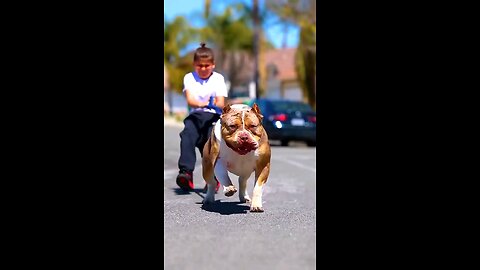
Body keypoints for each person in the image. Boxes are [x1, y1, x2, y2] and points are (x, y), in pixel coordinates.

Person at [176, 42, 227, 192]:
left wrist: (214, 104)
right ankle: (186, 173)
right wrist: (202, 103)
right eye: (200, 66)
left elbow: (221, 102)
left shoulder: (218, 79)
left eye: (207, 65)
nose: (203, 69)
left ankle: (213, 177)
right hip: (195, 115)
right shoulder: (189, 78)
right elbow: (191, 100)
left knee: (210, 143)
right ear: (194, 65)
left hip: (213, 117)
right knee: (187, 136)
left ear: (213, 65)